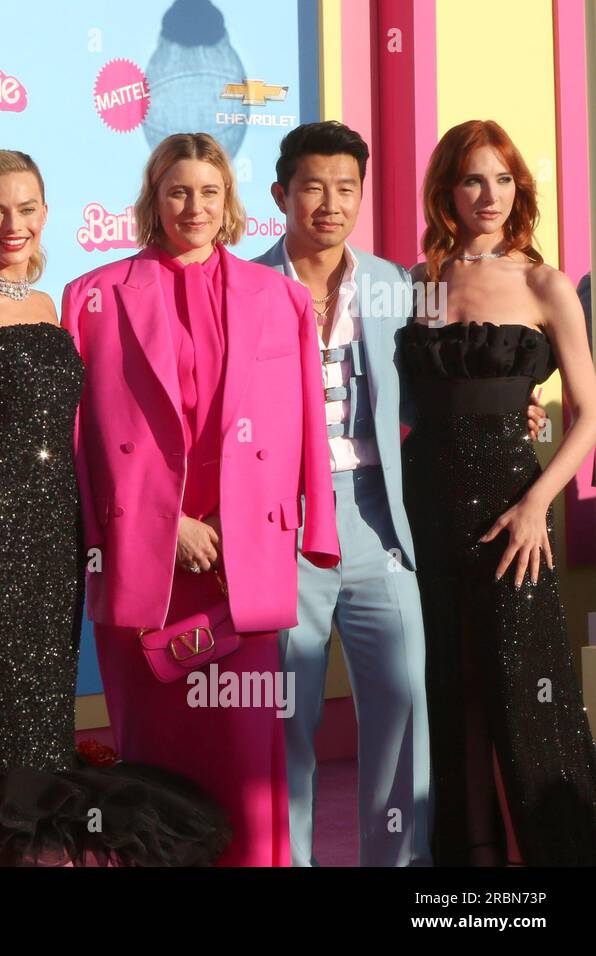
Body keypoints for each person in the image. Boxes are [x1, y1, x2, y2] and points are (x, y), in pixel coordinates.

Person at [0, 149, 229, 866]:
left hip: (63, 532)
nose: (11, 224)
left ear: (46, 213)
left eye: (26, 208)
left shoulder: (60, 305)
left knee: (46, 712)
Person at [63, 132, 339, 867]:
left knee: (244, 764)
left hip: (239, 568)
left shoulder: (279, 297)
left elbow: (307, 420)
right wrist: (169, 525)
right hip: (146, 567)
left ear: (230, 203)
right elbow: (85, 441)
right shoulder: (93, 297)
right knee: (155, 766)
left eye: (209, 193)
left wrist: (304, 531)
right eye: (178, 191)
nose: (194, 206)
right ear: (154, 199)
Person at [401, 119, 596, 866]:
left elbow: (589, 414)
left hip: (517, 510)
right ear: (448, 189)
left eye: (504, 179)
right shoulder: (418, 283)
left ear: (521, 190)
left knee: (528, 688)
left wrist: (536, 503)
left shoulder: (544, 284)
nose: (490, 194)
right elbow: (406, 400)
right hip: (426, 504)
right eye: (474, 179)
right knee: (452, 685)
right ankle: (471, 861)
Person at [254, 121, 432, 867]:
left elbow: (427, 393)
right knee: (282, 718)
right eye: (314, 187)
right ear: (281, 194)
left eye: (346, 188)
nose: (331, 203)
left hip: (376, 517)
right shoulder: (246, 287)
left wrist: (504, 405)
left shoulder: (397, 283)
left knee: (402, 705)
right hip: (280, 525)